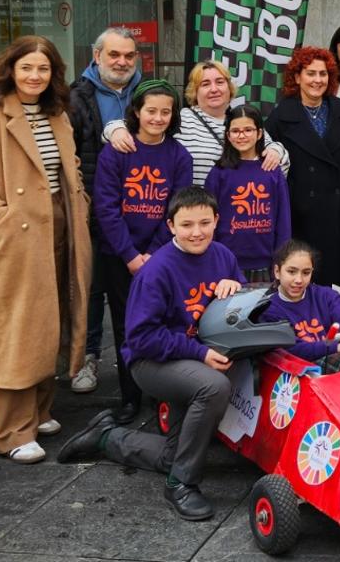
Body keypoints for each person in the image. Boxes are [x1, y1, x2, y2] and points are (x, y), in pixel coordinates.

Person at [57, 187, 243, 521]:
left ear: (217, 220)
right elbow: (141, 338)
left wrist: (236, 287)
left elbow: (239, 303)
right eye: (187, 225)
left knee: (176, 452)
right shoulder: (156, 270)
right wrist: (199, 354)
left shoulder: (224, 256)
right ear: (171, 225)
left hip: (193, 357)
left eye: (204, 222)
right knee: (213, 386)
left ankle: (107, 437)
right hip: (152, 362)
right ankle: (181, 483)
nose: (196, 232)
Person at [0, 35, 92, 463]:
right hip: (18, 233)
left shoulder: (57, 114)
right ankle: (12, 431)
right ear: (11, 70)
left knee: (53, 317)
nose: (35, 76)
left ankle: (39, 410)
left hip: (59, 226)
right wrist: (3, 222)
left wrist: (80, 204)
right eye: (27, 68)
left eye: (44, 68)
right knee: (19, 328)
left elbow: (69, 168)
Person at [94, 79, 193, 424]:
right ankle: (130, 396)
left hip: (162, 256)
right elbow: (107, 208)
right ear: (136, 112)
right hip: (119, 254)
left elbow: (177, 209)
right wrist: (130, 255)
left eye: (166, 111)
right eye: (151, 110)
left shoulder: (179, 155)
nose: (158, 117)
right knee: (124, 326)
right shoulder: (116, 152)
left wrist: (151, 255)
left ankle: (161, 393)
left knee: (163, 322)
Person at [69, 26, 141, 394]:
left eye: (129, 56)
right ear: (97, 57)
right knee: (92, 287)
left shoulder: (147, 93)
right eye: (114, 55)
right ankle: (89, 357)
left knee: (137, 291)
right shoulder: (77, 98)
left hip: (142, 212)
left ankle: (137, 361)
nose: (122, 62)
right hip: (94, 211)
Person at [266, 47, 340, 299]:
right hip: (302, 215)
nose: (317, 80)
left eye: (323, 74)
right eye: (310, 73)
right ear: (297, 77)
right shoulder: (281, 116)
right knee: (307, 278)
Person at [107, 60, 287, 186]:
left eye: (220, 82)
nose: (214, 89)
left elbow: (280, 158)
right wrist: (116, 130)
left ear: (229, 87)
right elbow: (138, 125)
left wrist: (275, 151)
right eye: (205, 84)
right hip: (195, 216)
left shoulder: (242, 120)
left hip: (238, 211)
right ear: (195, 91)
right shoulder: (181, 119)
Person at [204, 104, 292, 287]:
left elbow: (283, 220)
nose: (241, 135)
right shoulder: (219, 173)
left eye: (248, 130)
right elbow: (208, 219)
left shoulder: (272, 171)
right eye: (235, 131)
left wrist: (282, 259)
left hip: (266, 264)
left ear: (259, 133)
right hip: (228, 264)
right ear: (228, 135)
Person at [261, 240, 340, 367]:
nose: (299, 280)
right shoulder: (268, 308)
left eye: (306, 273)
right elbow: (292, 348)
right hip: (293, 366)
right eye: (291, 272)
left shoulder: (325, 295)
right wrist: (336, 346)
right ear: (277, 272)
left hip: (324, 354)